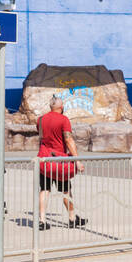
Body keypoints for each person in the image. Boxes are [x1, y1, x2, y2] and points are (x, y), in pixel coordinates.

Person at [37, 95, 87, 230]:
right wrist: (77, 161)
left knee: (44, 189)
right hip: (60, 162)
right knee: (66, 190)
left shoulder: (40, 120)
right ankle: (72, 219)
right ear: (61, 107)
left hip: (44, 159)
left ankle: (41, 220)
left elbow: (42, 138)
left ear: (50, 107)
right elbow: (69, 140)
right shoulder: (64, 120)